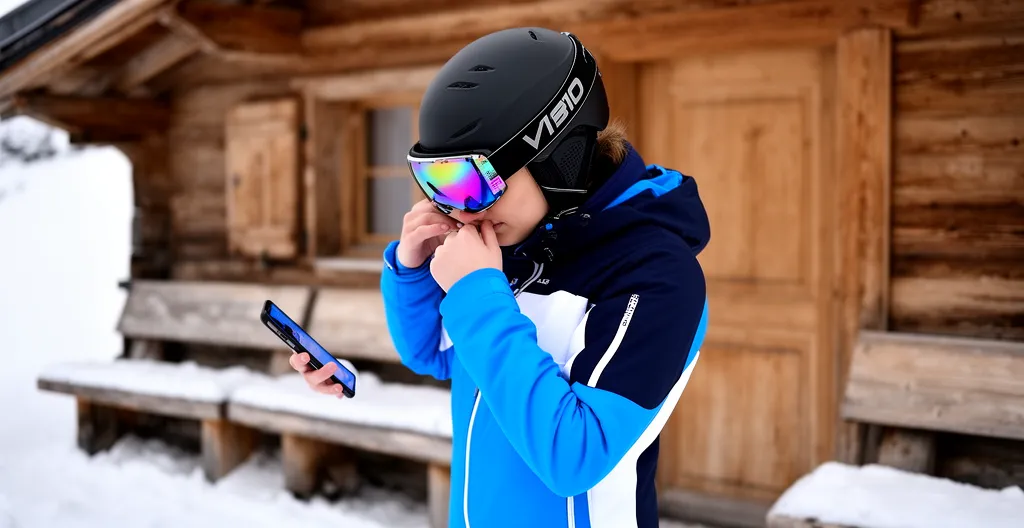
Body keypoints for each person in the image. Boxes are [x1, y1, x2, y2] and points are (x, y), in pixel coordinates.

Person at [289, 27, 710, 528]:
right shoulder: (517, 245)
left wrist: (478, 296)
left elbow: (573, 456)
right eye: (437, 182)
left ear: (559, 160)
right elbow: (432, 354)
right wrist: (412, 270)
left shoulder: (657, 274)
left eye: (475, 181)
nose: (460, 210)